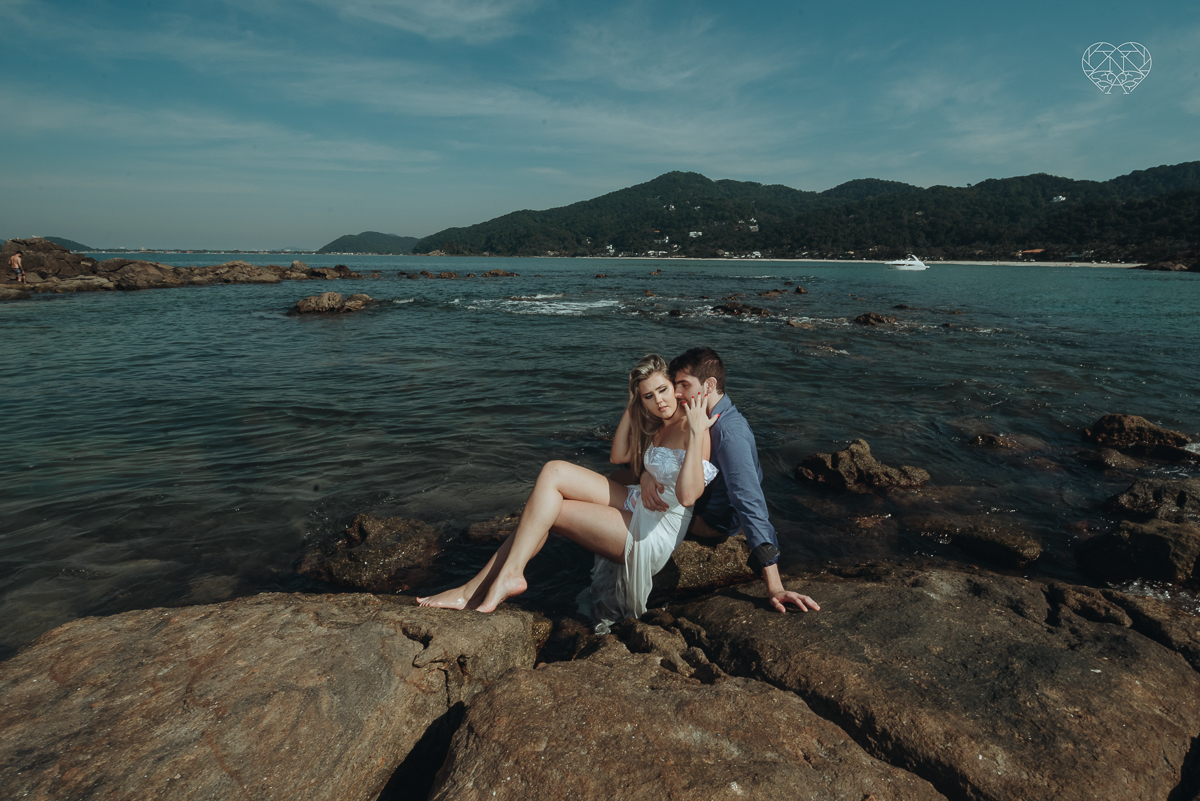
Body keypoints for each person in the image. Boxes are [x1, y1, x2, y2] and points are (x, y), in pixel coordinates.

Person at [418, 354, 718, 618]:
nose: (659, 401)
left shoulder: (693, 426)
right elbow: (618, 457)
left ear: (674, 387)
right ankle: (498, 578)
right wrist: (634, 421)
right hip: (637, 500)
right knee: (554, 470)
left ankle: (476, 589)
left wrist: (695, 433)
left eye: (662, 390)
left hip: (656, 527)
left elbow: (688, 496)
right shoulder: (660, 425)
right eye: (648, 396)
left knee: (549, 511)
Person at [637, 347, 820, 614]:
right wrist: (646, 475)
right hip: (698, 500)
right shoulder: (702, 416)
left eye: (684, 385)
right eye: (675, 385)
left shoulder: (728, 432)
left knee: (627, 507)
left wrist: (775, 586)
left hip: (711, 521)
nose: (676, 393)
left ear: (709, 385)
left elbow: (749, 502)